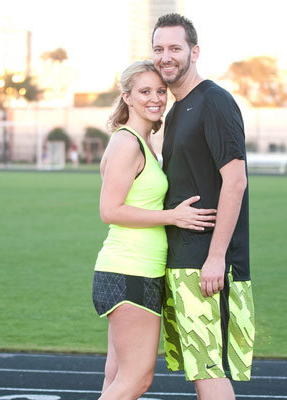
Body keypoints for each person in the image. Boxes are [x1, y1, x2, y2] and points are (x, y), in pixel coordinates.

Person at [92, 60, 217, 400]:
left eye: (160, 91)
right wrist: (172, 217)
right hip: (129, 271)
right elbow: (110, 210)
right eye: (145, 91)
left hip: (133, 271)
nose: (156, 98)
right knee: (136, 380)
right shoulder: (127, 143)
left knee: (116, 376)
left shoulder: (143, 144)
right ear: (127, 98)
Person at [151, 14, 255, 400]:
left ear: (194, 52)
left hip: (205, 265)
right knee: (200, 367)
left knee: (209, 367)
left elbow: (236, 179)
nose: (166, 57)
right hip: (181, 261)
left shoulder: (214, 101)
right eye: (159, 49)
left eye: (175, 48)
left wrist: (216, 257)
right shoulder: (176, 110)